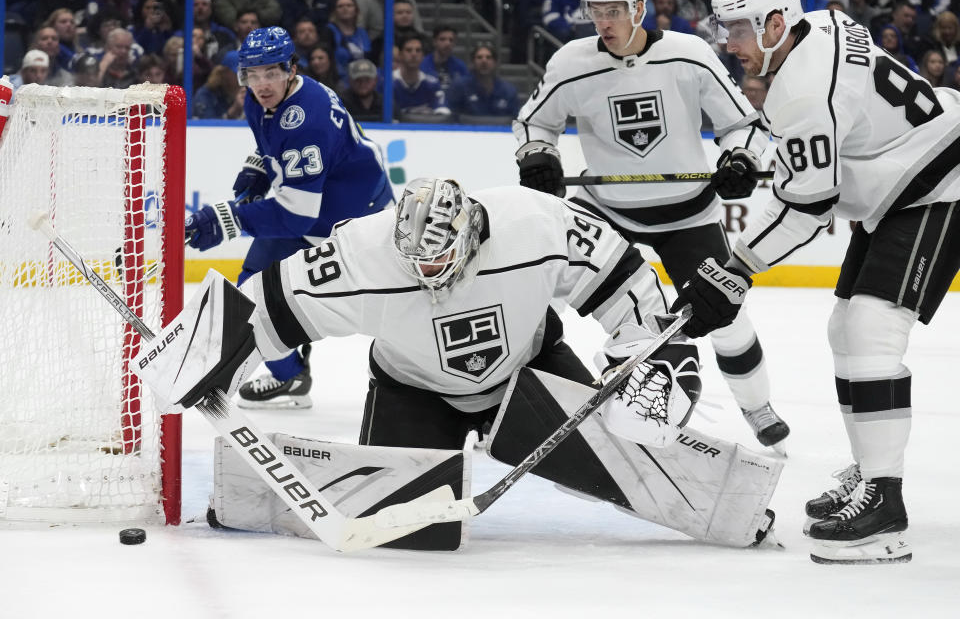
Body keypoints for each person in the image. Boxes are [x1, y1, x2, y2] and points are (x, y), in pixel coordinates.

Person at [141, 177, 785, 552]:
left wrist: (650, 363)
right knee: (411, 538)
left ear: (473, 237)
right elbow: (265, 306)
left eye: (438, 264)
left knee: (622, 445)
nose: (426, 278)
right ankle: (250, 497)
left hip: (530, 377)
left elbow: (627, 287)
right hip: (414, 391)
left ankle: (731, 506)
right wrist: (202, 358)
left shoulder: (539, 223)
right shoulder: (361, 255)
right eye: (413, 265)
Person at [688, 0, 960, 564]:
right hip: (902, 184)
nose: (728, 41)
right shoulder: (819, 27)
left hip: (940, 182)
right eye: (726, 27)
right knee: (846, 329)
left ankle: (885, 507)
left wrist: (736, 267)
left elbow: (809, 206)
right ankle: (871, 472)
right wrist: (748, 157)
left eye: (739, 29)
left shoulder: (806, 92)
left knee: (870, 328)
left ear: (775, 25)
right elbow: (786, 126)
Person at [513, 0, 788, 448]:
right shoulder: (570, 63)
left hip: (689, 215)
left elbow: (742, 125)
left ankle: (758, 409)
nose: (603, 21)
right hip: (607, 212)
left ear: (639, 8)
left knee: (726, 315)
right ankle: (508, 399)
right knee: (536, 295)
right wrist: (538, 154)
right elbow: (534, 122)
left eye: (614, 9)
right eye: (595, 9)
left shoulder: (690, 54)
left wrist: (741, 158)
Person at [183, 26, 393, 410]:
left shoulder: (307, 120)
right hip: (313, 205)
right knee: (249, 292)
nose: (262, 84)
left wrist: (226, 219)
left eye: (272, 72)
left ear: (291, 69)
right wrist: (260, 166)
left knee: (389, 313)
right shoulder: (259, 99)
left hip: (356, 219)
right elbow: (274, 144)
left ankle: (450, 383)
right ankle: (290, 376)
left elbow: (295, 216)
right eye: (253, 74)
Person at [448, 42, 519, 120]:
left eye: (488, 57)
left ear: (495, 62)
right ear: (473, 62)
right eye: (479, 57)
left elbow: (515, 121)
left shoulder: (508, 90)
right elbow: (452, 119)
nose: (484, 61)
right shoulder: (460, 87)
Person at [392, 33, 450, 118]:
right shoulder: (388, 83)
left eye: (418, 50)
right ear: (400, 55)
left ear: (423, 56)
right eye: (409, 50)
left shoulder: (432, 84)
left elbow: (443, 113)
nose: (414, 54)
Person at [420, 25, 469, 93]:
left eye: (451, 40)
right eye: (442, 39)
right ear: (434, 42)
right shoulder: (422, 65)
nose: (447, 43)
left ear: (455, 43)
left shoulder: (460, 67)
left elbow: (467, 92)